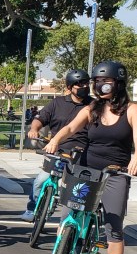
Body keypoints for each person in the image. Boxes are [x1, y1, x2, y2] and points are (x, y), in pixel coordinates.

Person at [43, 61, 137, 254]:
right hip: (86, 169)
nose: (100, 85)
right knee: (67, 214)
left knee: (113, 227)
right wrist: (55, 140)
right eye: (97, 82)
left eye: (105, 81)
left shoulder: (132, 109)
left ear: (118, 83)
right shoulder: (91, 108)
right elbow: (70, 127)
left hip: (115, 172)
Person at [20, 69, 93, 221]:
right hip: (56, 149)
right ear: (69, 87)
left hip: (81, 152)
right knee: (41, 180)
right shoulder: (57, 103)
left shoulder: (93, 105)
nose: (83, 87)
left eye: (86, 83)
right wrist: (34, 129)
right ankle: (32, 208)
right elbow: (40, 119)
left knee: (77, 189)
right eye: (78, 84)